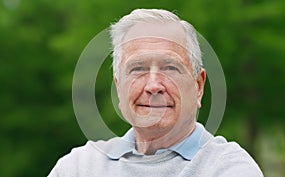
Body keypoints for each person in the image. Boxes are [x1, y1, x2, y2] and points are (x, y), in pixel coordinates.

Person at [48, 9, 263, 177]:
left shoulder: (229, 169)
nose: (153, 85)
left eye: (170, 68)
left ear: (198, 87)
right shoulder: (78, 168)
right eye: (138, 69)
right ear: (119, 88)